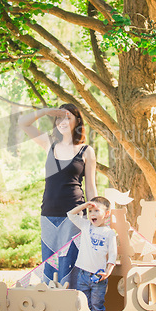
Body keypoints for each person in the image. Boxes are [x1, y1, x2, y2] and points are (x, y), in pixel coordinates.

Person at [18, 103, 97, 288]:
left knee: (68, 266)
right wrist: (46, 111)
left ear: (77, 121)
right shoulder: (49, 144)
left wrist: (94, 216)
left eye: (68, 117)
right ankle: (51, 309)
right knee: (49, 267)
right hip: (48, 215)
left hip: (74, 216)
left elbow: (91, 187)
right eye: (59, 118)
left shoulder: (87, 151)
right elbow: (23, 123)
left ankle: (71, 308)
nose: (62, 121)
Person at [67, 196, 117, 311]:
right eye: (90, 211)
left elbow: (113, 254)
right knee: (83, 306)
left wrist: (108, 271)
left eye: (96, 210)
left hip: (98, 276)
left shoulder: (109, 233)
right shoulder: (85, 226)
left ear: (106, 213)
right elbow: (71, 214)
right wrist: (84, 206)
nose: (92, 214)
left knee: (97, 305)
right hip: (82, 275)